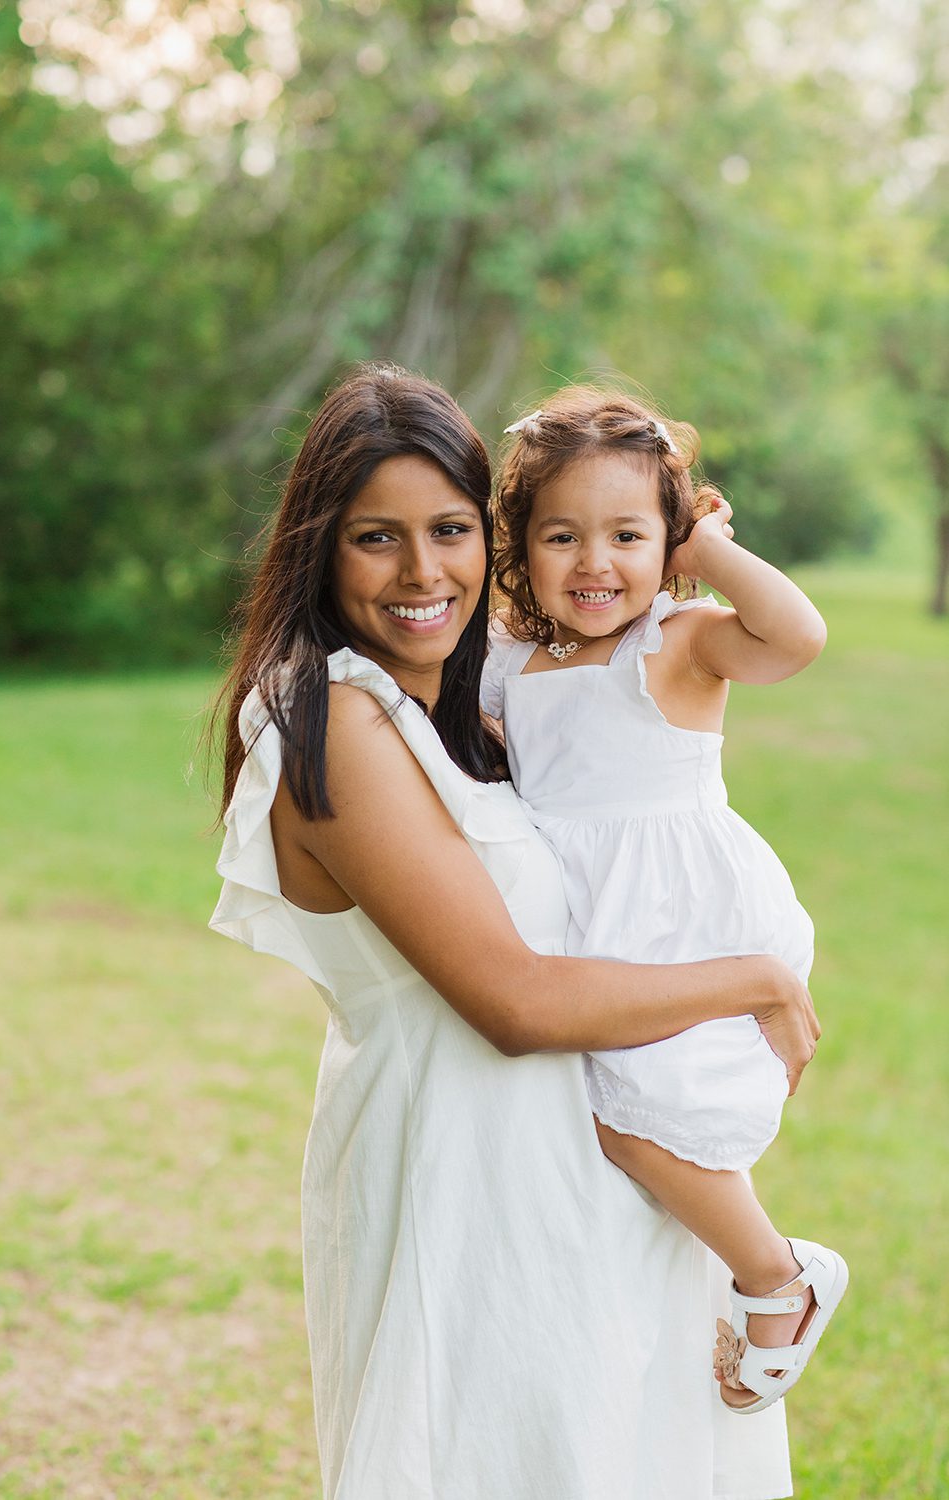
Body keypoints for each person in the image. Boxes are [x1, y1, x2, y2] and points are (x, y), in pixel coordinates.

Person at [208, 364, 817, 1499]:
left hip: (575, 1176)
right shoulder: (334, 718)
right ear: (316, 548)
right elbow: (517, 1002)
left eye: (447, 530)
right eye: (373, 537)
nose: (422, 569)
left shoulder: (455, 700)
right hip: (460, 1194)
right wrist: (753, 980)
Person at [486, 386, 847, 1416]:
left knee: (636, 1118)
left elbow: (797, 637)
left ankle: (779, 1276)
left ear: (668, 540)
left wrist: (710, 557)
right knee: (593, 1117)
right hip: (585, 924)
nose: (595, 563)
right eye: (562, 535)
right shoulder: (515, 655)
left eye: (628, 535)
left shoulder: (677, 642)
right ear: (521, 541)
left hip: (680, 913)